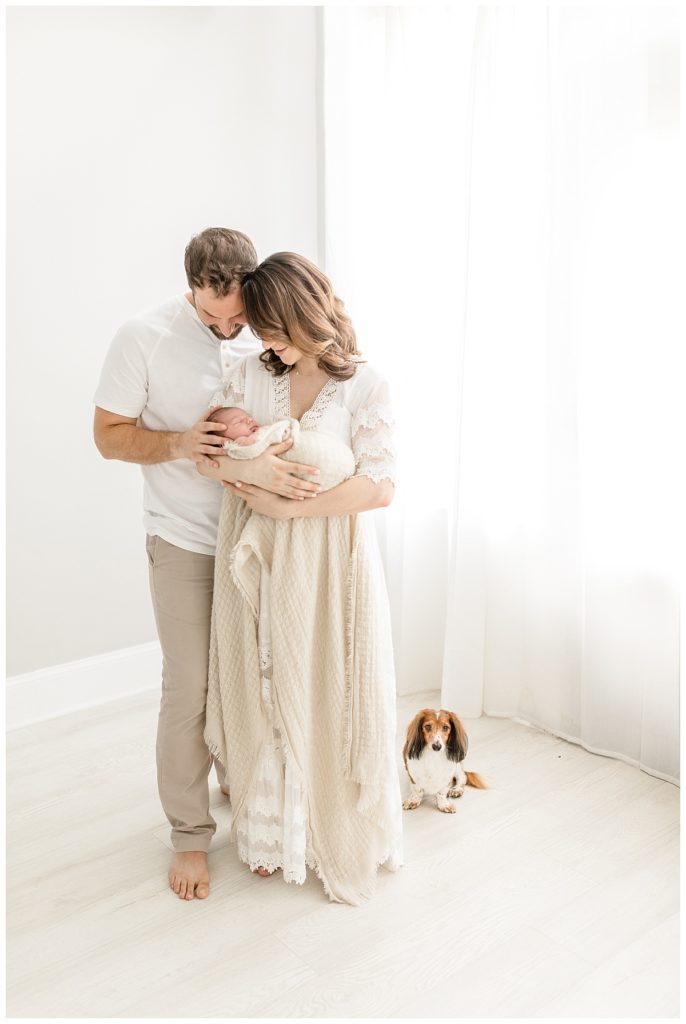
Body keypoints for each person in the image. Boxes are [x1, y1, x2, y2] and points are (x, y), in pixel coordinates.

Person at [92, 229, 321, 901]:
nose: (228, 330)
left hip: (257, 533)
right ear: (190, 287)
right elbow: (107, 436)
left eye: (237, 319)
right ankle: (190, 834)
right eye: (212, 317)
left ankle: (245, 792)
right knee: (188, 688)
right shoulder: (144, 337)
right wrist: (181, 442)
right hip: (184, 540)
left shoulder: (264, 330)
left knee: (250, 679)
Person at [200, 252, 403, 905]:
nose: (267, 346)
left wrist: (294, 506)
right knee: (263, 679)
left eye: (275, 332)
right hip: (258, 552)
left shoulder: (366, 385)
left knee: (327, 682)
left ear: (306, 315)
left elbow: (379, 487)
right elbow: (209, 459)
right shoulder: (248, 377)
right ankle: (269, 836)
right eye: (259, 334)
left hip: (330, 559)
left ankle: (330, 827)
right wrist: (253, 479)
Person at [208, 405, 356, 491]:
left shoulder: (263, 431)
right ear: (223, 441)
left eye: (248, 417)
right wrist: (241, 445)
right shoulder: (236, 448)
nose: (249, 420)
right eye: (238, 422)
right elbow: (247, 452)